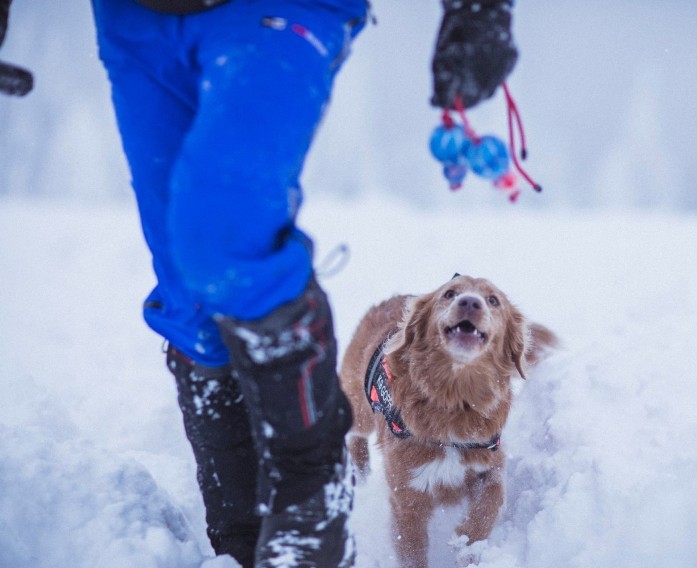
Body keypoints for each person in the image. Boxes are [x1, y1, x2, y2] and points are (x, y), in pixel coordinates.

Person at [2, 0, 518, 565]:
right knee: (186, 289)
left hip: (279, 8)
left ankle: (308, 503)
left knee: (224, 234)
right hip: (134, 16)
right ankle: (241, 534)